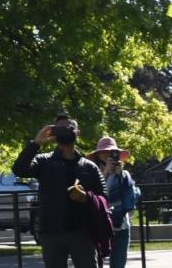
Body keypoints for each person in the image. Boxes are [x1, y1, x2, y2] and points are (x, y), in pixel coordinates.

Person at [12, 114, 105, 268]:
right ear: (53, 133)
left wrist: (86, 198)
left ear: (78, 133)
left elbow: (104, 198)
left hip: (82, 233)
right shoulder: (43, 161)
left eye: (69, 128)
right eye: (60, 129)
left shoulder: (89, 166)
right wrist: (36, 143)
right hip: (51, 233)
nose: (65, 131)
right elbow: (19, 169)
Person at [88, 137, 136, 268]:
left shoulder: (124, 174)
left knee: (118, 264)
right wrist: (105, 173)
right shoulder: (92, 173)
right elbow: (92, 196)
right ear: (98, 155)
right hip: (99, 224)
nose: (108, 155)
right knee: (95, 263)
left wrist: (121, 177)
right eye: (104, 152)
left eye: (112, 152)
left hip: (121, 225)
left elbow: (130, 199)